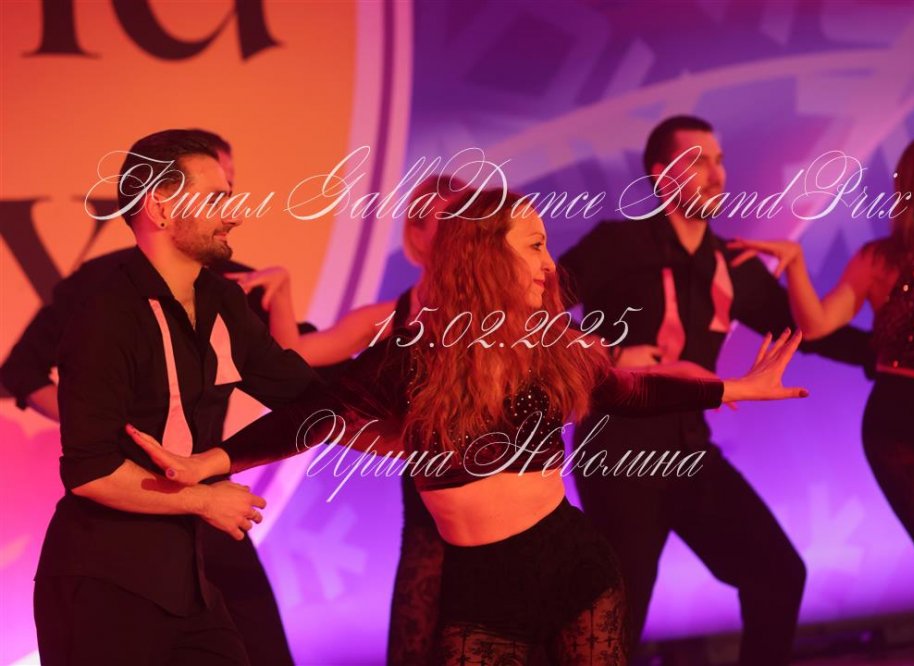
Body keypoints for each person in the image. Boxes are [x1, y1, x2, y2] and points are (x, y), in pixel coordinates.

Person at [129, 187, 811, 665]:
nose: (550, 264)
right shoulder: (414, 353)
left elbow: (625, 390)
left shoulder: (548, 343)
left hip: (573, 563)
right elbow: (313, 416)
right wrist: (208, 463)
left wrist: (736, 386)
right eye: (534, 246)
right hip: (479, 584)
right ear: (487, 255)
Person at [558, 115, 874, 664]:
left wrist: (892, 355)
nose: (716, 173)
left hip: (688, 450)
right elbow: (535, 313)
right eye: (698, 161)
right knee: (616, 618)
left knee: (778, 573)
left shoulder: (731, 264)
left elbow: (807, 332)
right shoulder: (618, 243)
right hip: (620, 453)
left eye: (719, 160)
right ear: (662, 175)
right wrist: (607, 354)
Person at [3, 129, 297, 666]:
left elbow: (304, 389)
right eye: (217, 196)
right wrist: (100, 423)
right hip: (115, 555)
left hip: (199, 530)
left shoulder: (229, 291)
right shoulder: (103, 299)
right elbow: (84, 462)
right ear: (161, 207)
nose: (233, 214)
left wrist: (212, 466)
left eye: (230, 192)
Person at [730, 132, 914, 666]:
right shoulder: (879, 260)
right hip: (902, 432)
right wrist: (797, 265)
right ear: (912, 191)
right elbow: (816, 325)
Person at [228, 174, 467, 664]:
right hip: (431, 514)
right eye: (447, 221)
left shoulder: (501, 314)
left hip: (509, 512)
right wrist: (283, 292)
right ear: (417, 233)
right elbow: (295, 361)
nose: (460, 233)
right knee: (417, 646)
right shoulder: (392, 316)